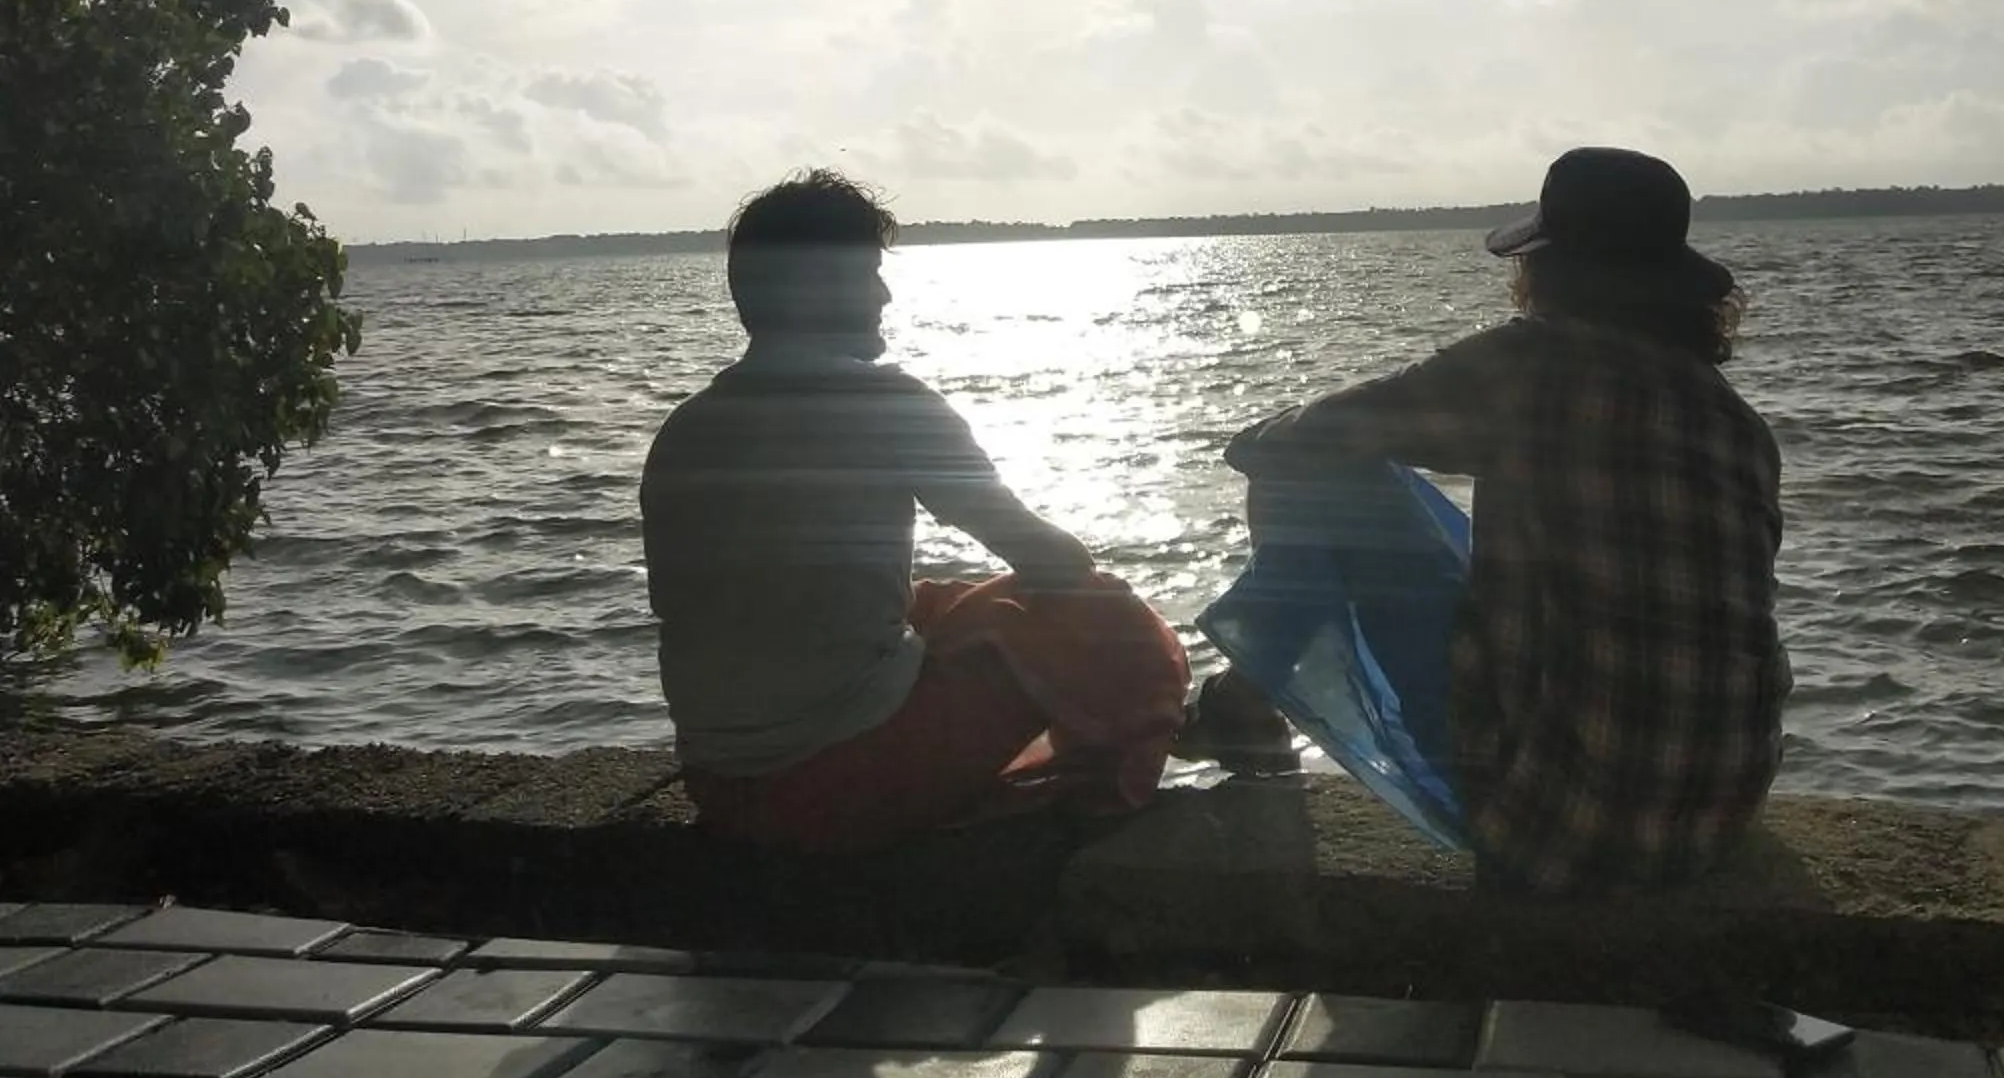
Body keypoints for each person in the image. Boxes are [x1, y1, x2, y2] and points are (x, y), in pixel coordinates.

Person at [1224, 147, 1788, 891]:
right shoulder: (1732, 418)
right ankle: (1242, 704)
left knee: (1314, 474)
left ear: (1548, 267)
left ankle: (1242, 707)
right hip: (1718, 808)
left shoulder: (1525, 367)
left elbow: (1285, 444)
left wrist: (1259, 444)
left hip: (1558, 824)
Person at [640, 168, 1189, 852]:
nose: (884, 294)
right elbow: (1054, 562)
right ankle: (1109, 793)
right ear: (816, 288)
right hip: (836, 789)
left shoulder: (688, 425)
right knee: (1106, 615)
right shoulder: (883, 403)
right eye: (867, 274)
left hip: (719, 786)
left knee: (939, 602)